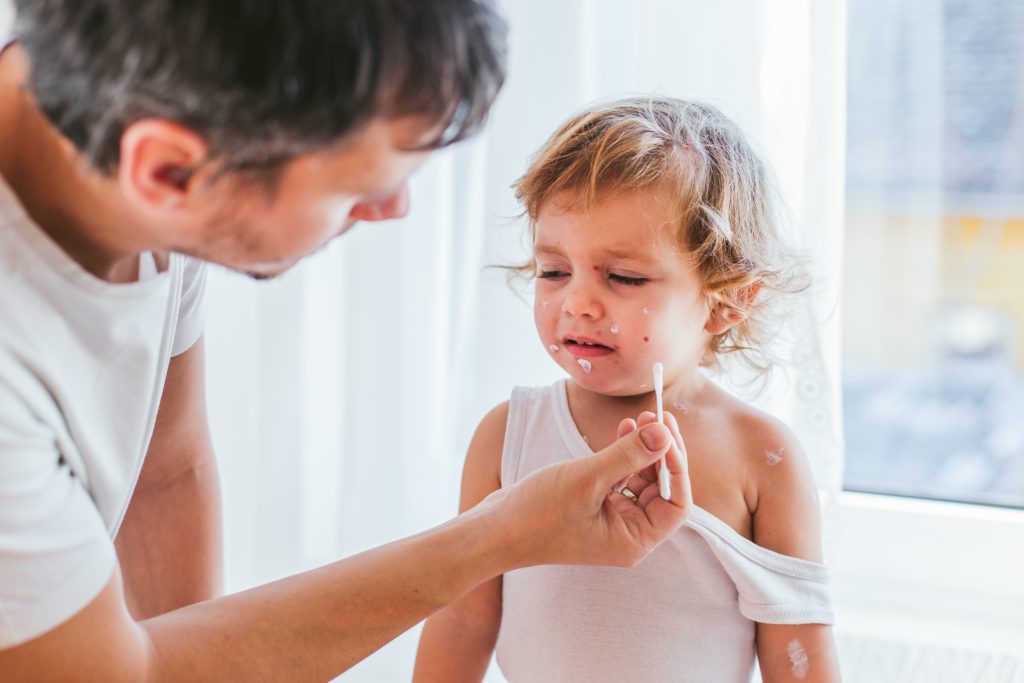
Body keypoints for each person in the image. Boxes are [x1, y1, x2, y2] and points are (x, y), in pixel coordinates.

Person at [0, 4, 691, 681]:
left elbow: (165, 469)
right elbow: (119, 671)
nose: (395, 209)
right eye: (355, 189)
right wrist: (503, 533)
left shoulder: (130, 159)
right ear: (169, 173)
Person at [414, 96, 843, 682]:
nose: (578, 303)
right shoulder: (507, 437)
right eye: (554, 271)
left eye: (624, 277)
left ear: (728, 299)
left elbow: (799, 654)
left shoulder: (763, 458)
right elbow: (461, 619)